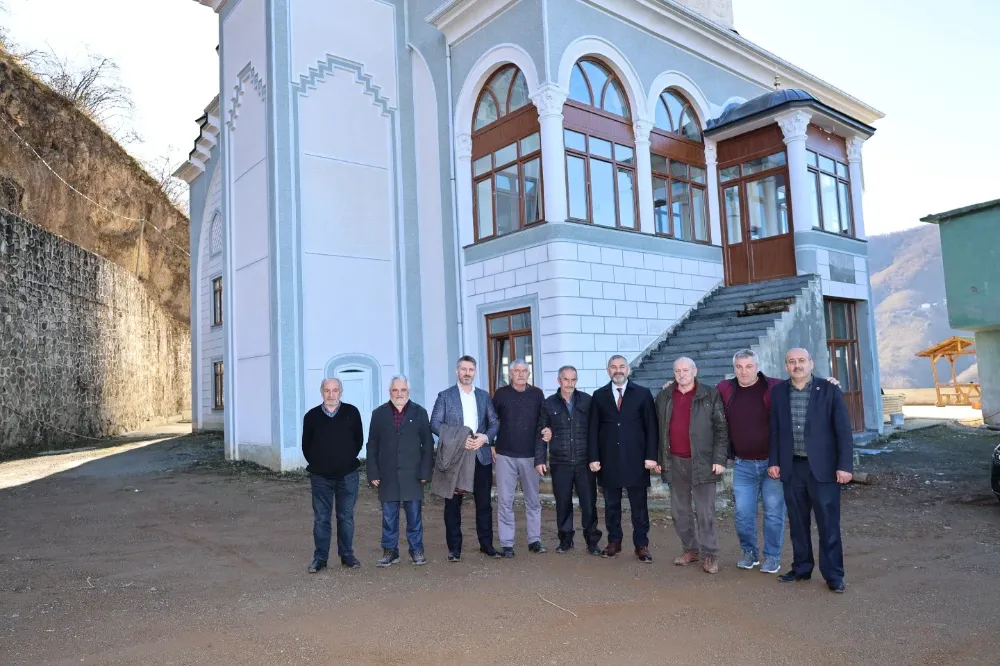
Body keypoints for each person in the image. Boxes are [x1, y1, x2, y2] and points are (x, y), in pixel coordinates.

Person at [717, 349, 838, 574]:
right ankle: (749, 553)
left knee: (774, 512)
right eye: (739, 367)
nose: (744, 371)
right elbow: (702, 397)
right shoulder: (725, 389)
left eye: (749, 366)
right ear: (734, 369)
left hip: (774, 463)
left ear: (758, 366)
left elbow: (802, 384)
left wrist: (828, 381)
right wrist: (671, 385)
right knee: (743, 513)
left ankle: (772, 557)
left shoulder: (775, 387)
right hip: (743, 465)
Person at [769, 348, 854, 593]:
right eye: (792, 362)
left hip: (824, 470)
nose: (797, 365)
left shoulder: (829, 390)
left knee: (828, 524)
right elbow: (774, 431)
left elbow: (843, 431)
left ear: (811, 363)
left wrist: (845, 466)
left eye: (801, 361)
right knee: (797, 522)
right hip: (792, 467)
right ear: (786, 366)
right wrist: (774, 461)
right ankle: (802, 568)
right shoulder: (777, 393)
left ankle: (833, 575)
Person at [655, 357, 728, 574]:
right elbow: (657, 429)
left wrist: (719, 459)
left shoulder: (710, 394)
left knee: (705, 512)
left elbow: (721, 429)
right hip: (674, 461)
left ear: (695, 371)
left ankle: (710, 555)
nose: (682, 374)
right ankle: (690, 549)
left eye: (686, 370)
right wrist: (659, 459)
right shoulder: (664, 396)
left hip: (703, 461)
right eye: (677, 370)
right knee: (680, 512)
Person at [430, 355, 500, 561]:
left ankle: (486, 545)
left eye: (471, 369)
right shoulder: (445, 396)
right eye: (463, 369)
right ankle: (454, 549)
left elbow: (494, 421)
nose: (467, 373)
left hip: (480, 455)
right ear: (456, 371)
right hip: (456, 457)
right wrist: (461, 439)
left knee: (484, 503)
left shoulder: (484, 396)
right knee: (453, 504)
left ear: (475, 372)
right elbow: (434, 423)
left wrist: (485, 437)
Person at [588, 355, 658, 562]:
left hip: (636, 460)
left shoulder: (643, 394)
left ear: (627, 369)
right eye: (613, 367)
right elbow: (593, 429)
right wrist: (594, 457)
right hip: (609, 461)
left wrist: (651, 456)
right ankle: (614, 542)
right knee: (611, 505)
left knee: (639, 506)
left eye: (621, 367)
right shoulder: (598, 396)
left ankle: (641, 545)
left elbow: (651, 428)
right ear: (607, 370)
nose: (617, 370)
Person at [366, 376, 434, 567]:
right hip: (387, 475)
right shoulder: (378, 414)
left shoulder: (420, 412)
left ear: (408, 392)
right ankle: (390, 551)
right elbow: (372, 445)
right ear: (390, 392)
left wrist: (425, 472)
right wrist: (373, 472)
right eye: (395, 390)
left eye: (403, 390)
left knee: (414, 516)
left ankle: (416, 550)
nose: (399, 394)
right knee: (389, 517)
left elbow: (428, 444)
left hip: (413, 474)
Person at [536, 365, 602, 555]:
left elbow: (597, 430)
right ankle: (565, 540)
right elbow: (541, 432)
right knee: (563, 504)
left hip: (584, 462)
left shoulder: (588, 401)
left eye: (573, 380)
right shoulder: (548, 404)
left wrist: (596, 458)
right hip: (560, 462)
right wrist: (540, 459)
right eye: (566, 379)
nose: (570, 384)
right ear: (559, 381)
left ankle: (592, 541)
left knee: (589, 503)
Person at [301, 378, 364, 572]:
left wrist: (344, 459)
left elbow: (358, 441)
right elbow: (306, 446)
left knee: (346, 517)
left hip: (348, 475)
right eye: (327, 391)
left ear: (341, 392)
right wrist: (319, 463)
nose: (331, 394)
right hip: (320, 477)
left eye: (335, 390)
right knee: (321, 518)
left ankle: (347, 555)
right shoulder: (311, 416)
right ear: (321, 392)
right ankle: (320, 558)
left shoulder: (352, 413)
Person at [492, 359, 547, 557]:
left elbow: (544, 421)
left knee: (533, 501)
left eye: (524, 370)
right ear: (510, 373)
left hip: (530, 456)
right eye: (517, 370)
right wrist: (491, 443)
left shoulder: (537, 394)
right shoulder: (501, 394)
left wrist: (546, 439)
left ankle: (535, 540)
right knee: (505, 501)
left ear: (529, 373)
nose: (521, 374)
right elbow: (491, 420)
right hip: (505, 454)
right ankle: (507, 543)